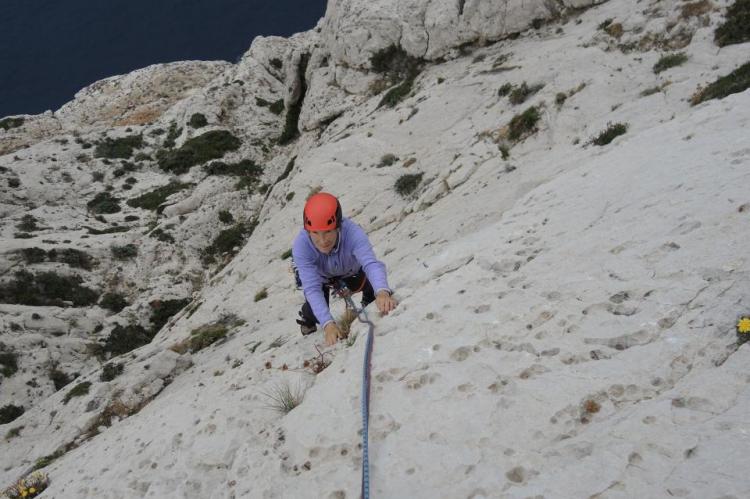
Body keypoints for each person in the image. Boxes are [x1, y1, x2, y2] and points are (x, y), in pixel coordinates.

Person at [292, 192, 397, 346]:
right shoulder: (301, 245)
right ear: (308, 231)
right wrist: (328, 324)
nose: (322, 241)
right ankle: (307, 319)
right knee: (315, 310)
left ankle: (369, 298)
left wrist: (382, 292)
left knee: (367, 282)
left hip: (350, 271)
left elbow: (371, 264)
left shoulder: (353, 233)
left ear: (338, 226)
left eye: (328, 231)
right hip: (320, 277)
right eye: (315, 233)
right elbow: (312, 288)